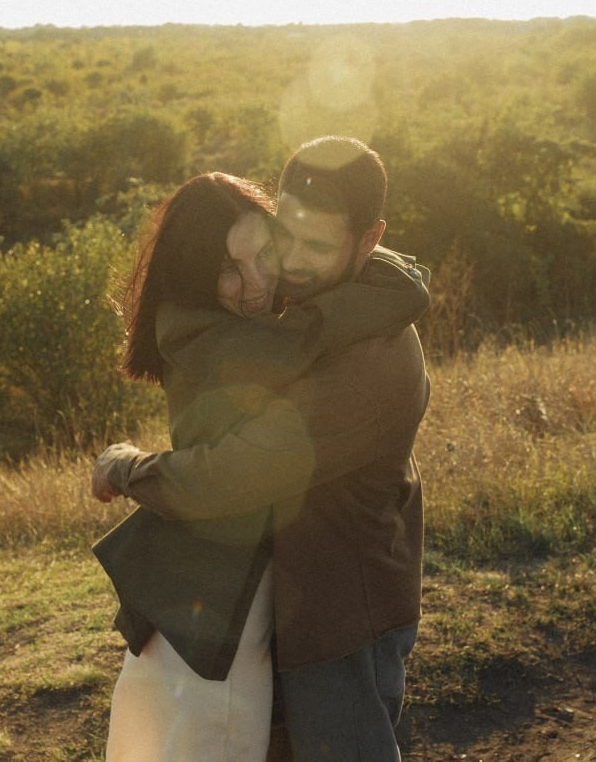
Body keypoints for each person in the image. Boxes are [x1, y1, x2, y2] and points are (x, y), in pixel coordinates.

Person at [94, 137, 431, 761]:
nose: (292, 267)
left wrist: (129, 468)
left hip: (339, 618)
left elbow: (237, 471)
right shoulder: (305, 301)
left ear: (369, 237)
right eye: (286, 238)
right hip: (273, 605)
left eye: (319, 247)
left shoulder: (371, 362)